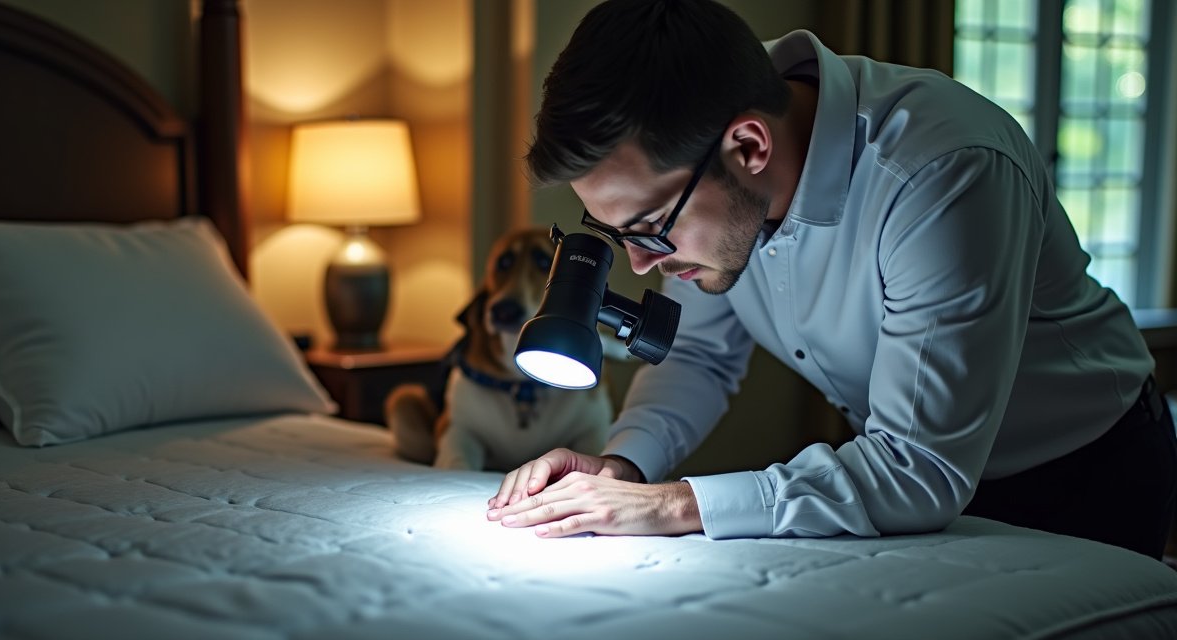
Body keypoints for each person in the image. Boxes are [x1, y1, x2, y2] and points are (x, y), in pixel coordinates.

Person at [484, 0, 1177, 560]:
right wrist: (624, 467)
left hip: (1084, 468)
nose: (640, 264)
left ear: (749, 146)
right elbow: (698, 353)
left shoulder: (942, 173)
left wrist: (674, 504)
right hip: (916, 491)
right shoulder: (709, 173)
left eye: (649, 227)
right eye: (618, 234)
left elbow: (917, 468)